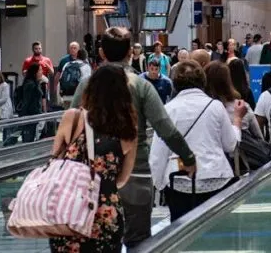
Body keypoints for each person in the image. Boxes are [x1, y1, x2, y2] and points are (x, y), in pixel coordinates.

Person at [68, 27, 196, 249]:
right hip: (135, 175)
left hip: (92, 178)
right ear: (130, 52)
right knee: (139, 243)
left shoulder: (86, 86)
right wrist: (188, 157)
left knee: (98, 242)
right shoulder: (141, 85)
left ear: (101, 53)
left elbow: (71, 129)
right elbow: (165, 128)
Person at [49, 64, 137, 253]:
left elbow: (54, 159)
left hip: (67, 210)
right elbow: (122, 179)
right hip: (106, 212)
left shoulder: (72, 118)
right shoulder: (128, 128)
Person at [152, 61, 245, 220]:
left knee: (181, 234)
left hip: (179, 182)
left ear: (175, 83)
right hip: (216, 178)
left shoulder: (168, 110)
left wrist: (160, 184)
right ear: (203, 81)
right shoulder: (215, 106)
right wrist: (236, 121)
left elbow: (158, 154)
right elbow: (230, 145)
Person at [15, 63, 46, 143]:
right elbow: (27, 101)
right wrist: (23, 117)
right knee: (28, 139)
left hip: (35, 115)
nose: (41, 72)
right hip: (30, 116)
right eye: (40, 70)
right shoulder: (30, 84)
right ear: (34, 72)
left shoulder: (36, 83)